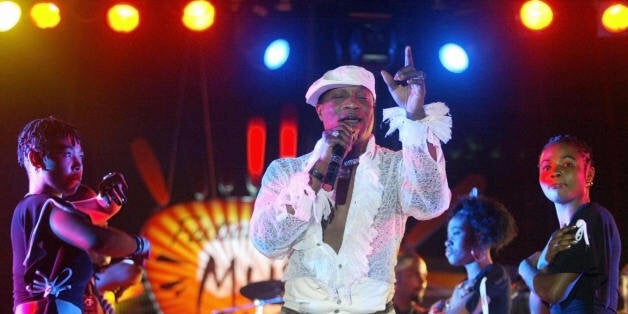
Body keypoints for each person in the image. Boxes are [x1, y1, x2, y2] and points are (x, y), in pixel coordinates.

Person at [249, 46, 453, 313]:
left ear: (373, 109)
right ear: (320, 111)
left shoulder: (395, 167)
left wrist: (415, 117)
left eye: (362, 97)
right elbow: (268, 242)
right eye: (339, 96)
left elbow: (431, 204)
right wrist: (316, 171)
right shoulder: (287, 171)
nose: (351, 103)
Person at [11, 116, 150, 314]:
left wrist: (109, 197)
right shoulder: (42, 206)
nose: (78, 164)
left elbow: (97, 210)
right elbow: (96, 239)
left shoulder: (43, 210)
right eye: (67, 154)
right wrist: (141, 245)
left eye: (80, 156)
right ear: (36, 159)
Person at [518, 134, 621, 313]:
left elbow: (553, 292)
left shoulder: (591, 216)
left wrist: (524, 267)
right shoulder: (559, 239)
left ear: (589, 174)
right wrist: (543, 264)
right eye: (547, 166)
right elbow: (541, 305)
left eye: (567, 164)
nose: (555, 172)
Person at [429, 188, 518, 314]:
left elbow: (468, 309)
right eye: (448, 236)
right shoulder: (462, 285)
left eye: (456, 233)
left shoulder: (495, 275)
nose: (447, 242)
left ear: (479, 236)